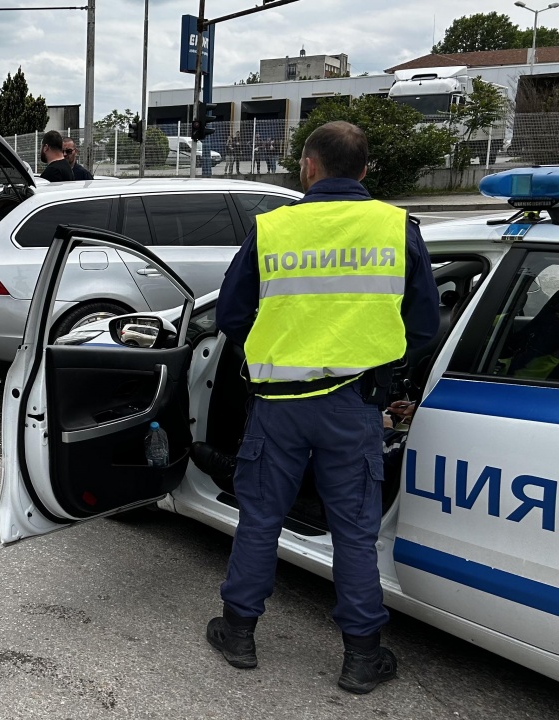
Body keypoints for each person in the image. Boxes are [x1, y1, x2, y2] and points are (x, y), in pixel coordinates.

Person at [207, 121, 439, 694]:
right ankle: (361, 657)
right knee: (354, 533)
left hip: (278, 405)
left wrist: (275, 352)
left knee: (260, 518)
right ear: (364, 170)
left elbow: (232, 317)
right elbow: (424, 325)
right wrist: (378, 372)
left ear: (309, 166)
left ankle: (238, 632)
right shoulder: (396, 227)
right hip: (354, 407)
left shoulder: (273, 228)